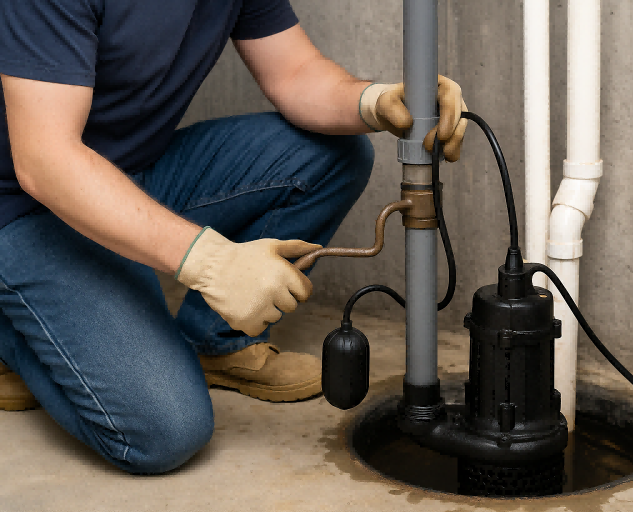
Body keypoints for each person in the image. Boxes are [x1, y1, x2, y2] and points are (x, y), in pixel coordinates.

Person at [0, 0, 467, 474]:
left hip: (132, 171)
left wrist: (376, 102)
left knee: (331, 155)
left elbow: (296, 73)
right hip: (22, 205)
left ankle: (216, 342)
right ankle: (13, 330)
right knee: (164, 430)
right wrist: (211, 263)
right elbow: (46, 161)